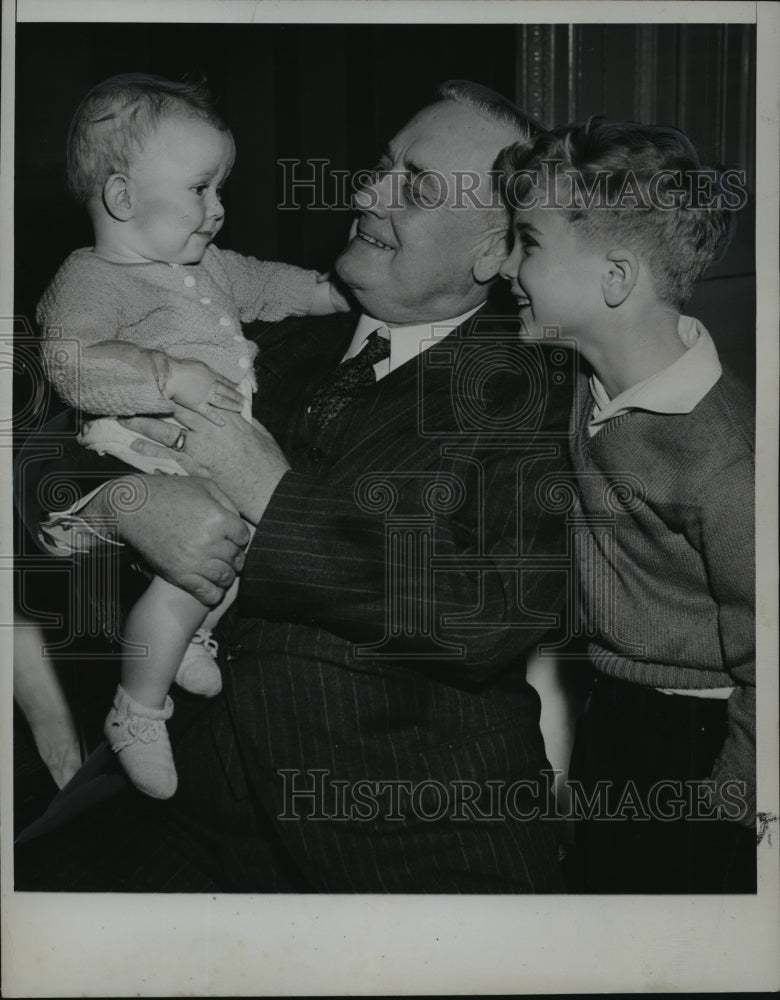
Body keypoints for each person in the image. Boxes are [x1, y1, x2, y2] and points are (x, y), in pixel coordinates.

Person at [19, 81, 573, 892]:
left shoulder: (535, 387)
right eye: (381, 165)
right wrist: (123, 504)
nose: (365, 190)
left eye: (412, 187)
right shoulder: (257, 324)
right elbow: (37, 442)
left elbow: (487, 610)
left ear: (489, 254)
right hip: (188, 805)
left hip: (411, 844)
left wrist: (272, 496)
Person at [36, 73, 347, 800]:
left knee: (231, 548)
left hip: (204, 450)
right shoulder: (93, 279)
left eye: (220, 189)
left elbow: (266, 282)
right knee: (195, 562)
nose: (219, 210)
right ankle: (138, 708)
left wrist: (329, 292)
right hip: (142, 446)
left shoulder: (203, 264)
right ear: (121, 199)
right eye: (201, 190)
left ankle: (192, 636)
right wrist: (168, 375)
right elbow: (71, 363)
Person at [498, 119, 755, 891]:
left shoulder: (725, 460)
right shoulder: (584, 381)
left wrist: (731, 807)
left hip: (699, 741)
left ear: (614, 279)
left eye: (528, 244)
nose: (506, 266)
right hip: (616, 707)